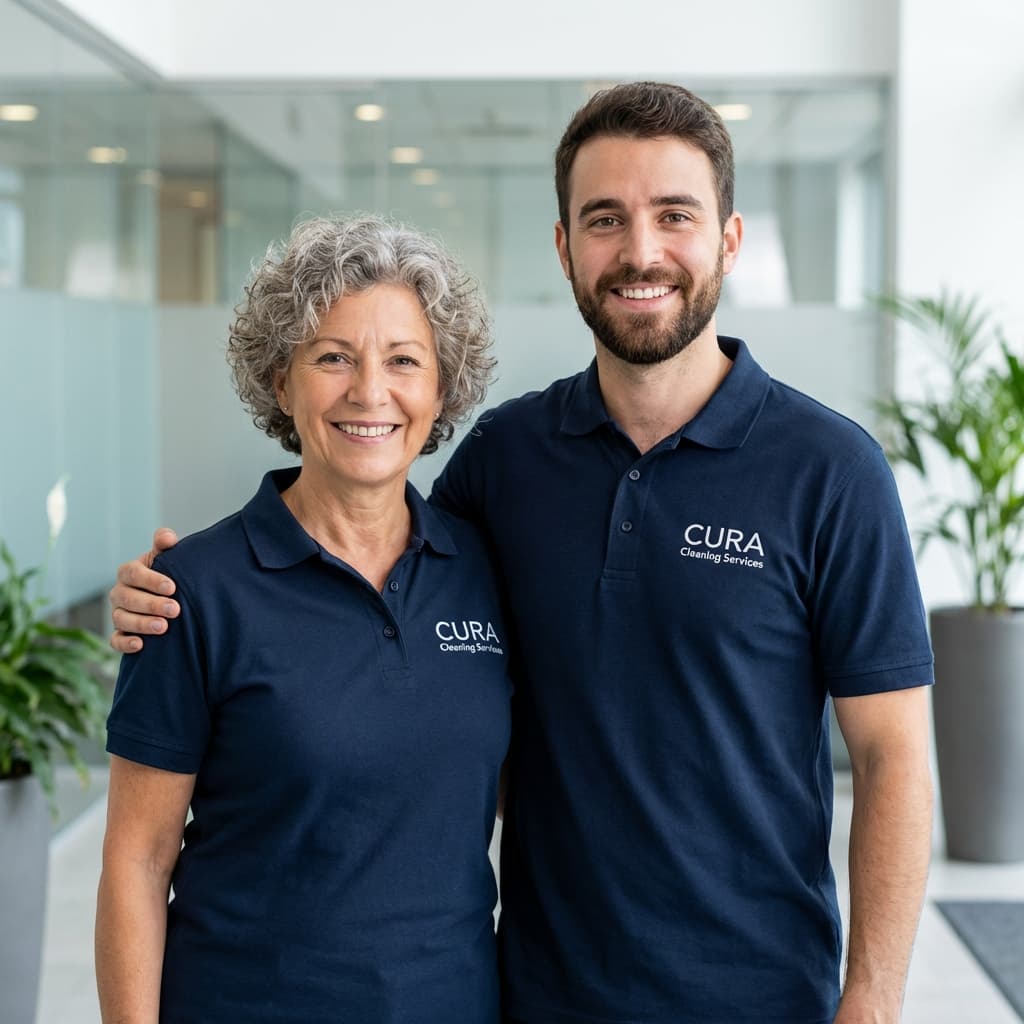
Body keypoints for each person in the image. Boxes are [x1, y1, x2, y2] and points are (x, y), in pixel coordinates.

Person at [109, 82, 934, 1024]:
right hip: (538, 992)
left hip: (758, 993)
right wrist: (175, 593)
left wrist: (871, 999)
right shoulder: (505, 463)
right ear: (563, 246)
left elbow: (893, 757)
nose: (640, 252)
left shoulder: (832, 472)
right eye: (604, 219)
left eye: (675, 216)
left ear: (730, 240)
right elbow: (364, 563)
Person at [95, 215, 513, 1024]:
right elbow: (137, 861)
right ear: (280, 384)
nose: (369, 392)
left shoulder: (485, 575)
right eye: (332, 357)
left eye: (403, 361)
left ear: (442, 388)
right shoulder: (192, 593)